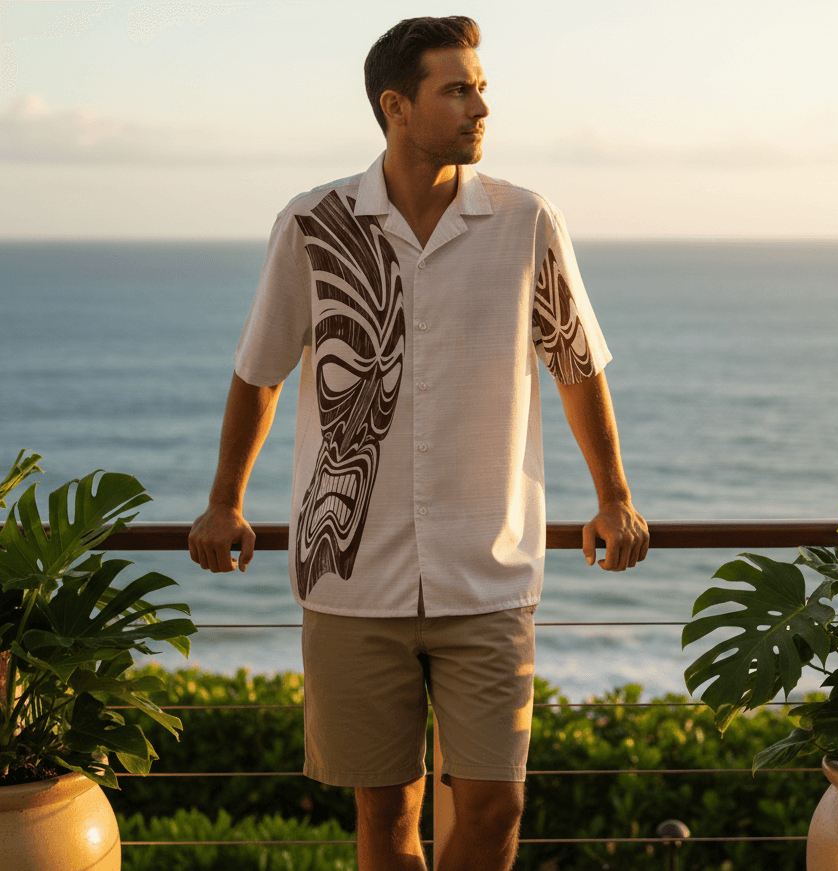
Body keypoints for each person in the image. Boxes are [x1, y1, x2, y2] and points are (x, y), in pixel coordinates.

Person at [189, 15, 649, 871]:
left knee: (495, 804)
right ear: (395, 106)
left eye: (481, 88)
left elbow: (576, 366)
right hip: (353, 577)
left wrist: (613, 497)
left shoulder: (526, 220)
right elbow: (259, 373)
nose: (480, 106)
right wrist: (225, 501)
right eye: (458, 88)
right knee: (385, 812)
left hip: (489, 568)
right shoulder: (313, 224)